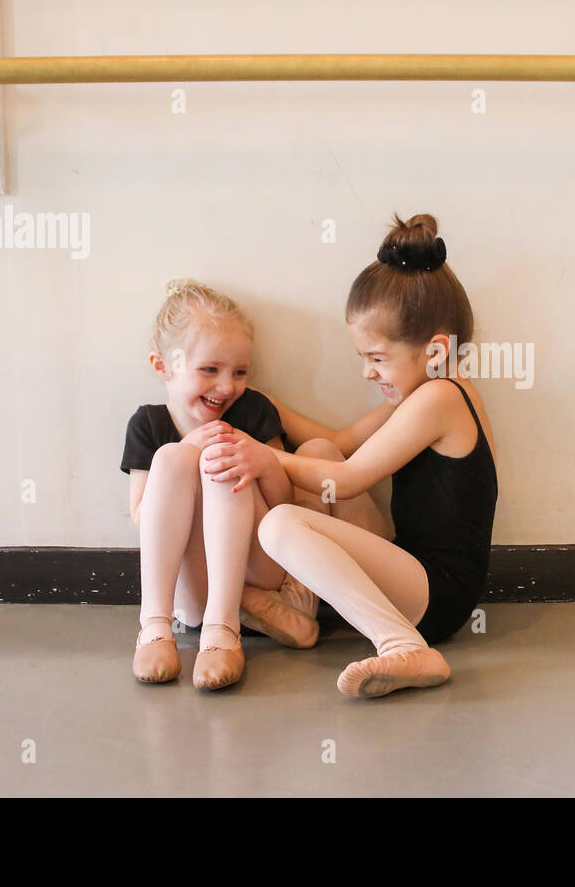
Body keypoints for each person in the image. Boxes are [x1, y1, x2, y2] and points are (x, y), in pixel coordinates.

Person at [203, 213, 499, 698]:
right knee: (316, 451)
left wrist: (266, 458)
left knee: (280, 524)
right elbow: (338, 446)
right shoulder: (421, 393)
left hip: (438, 594)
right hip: (410, 567)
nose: (367, 373)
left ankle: (402, 642)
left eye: (377, 358)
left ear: (437, 350)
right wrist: (269, 406)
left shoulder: (441, 399)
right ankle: (301, 603)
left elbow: (348, 481)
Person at [120, 278, 347, 690]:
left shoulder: (252, 410)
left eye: (239, 372)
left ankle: (224, 631)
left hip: (259, 564)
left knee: (220, 455)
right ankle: (154, 626)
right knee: (175, 456)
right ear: (163, 366)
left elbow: (285, 511)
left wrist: (263, 463)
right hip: (194, 588)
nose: (227, 387)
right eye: (210, 369)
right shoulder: (148, 425)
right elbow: (141, 517)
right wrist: (186, 450)